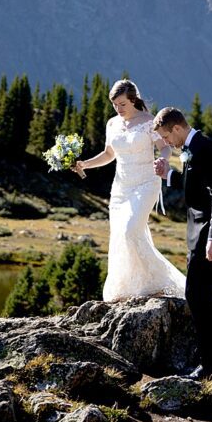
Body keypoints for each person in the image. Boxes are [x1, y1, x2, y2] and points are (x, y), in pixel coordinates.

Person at [153, 107, 212, 379]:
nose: (166, 143)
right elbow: (194, 185)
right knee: (200, 295)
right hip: (199, 231)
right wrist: (168, 175)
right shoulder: (191, 147)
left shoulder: (204, 148)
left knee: (198, 295)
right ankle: (210, 361)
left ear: (177, 128)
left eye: (166, 137)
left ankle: (209, 365)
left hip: (208, 232)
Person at [73, 80, 186, 301]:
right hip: (121, 187)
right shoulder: (112, 124)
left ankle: (161, 282)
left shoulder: (149, 121)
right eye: (114, 104)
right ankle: (129, 288)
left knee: (130, 230)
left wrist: (162, 161)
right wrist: (85, 164)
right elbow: (109, 154)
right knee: (120, 235)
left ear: (133, 100)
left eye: (122, 104)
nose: (118, 108)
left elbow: (164, 148)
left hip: (146, 183)